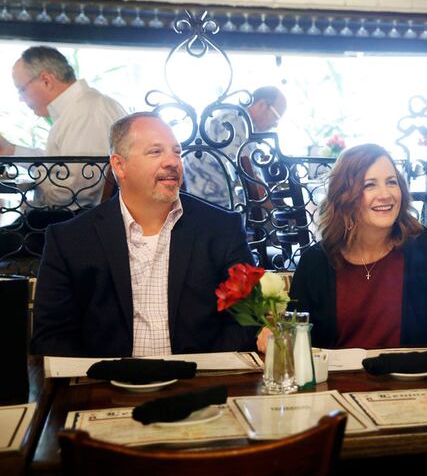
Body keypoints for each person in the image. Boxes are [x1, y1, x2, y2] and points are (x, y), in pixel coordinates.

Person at [30, 112, 257, 357]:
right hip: (107, 387)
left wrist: (203, 370)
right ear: (119, 165)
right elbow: (52, 336)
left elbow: (248, 318)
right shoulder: (71, 240)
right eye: (155, 152)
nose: (172, 161)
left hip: (199, 385)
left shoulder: (221, 228)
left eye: (176, 152)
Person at [258, 143, 427, 356]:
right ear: (344, 196)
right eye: (369, 185)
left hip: (415, 381)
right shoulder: (316, 261)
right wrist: (275, 333)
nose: (385, 195)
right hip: (337, 383)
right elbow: (296, 333)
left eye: (391, 182)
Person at [0, 46, 127, 257]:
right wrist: (9, 150)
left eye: (21, 90)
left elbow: (74, 191)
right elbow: (62, 168)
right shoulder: (80, 108)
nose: (21, 99)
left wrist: (30, 200)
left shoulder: (87, 112)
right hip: (70, 222)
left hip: (77, 229)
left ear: (46, 80)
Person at [185, 86, 287, 209]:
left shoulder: (240, 121)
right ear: (262, 105)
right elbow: (246, 178)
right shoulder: (235, 121)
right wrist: (279, 212)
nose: (275, 125)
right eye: (276, 117)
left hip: (217, 207)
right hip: (208, 209)